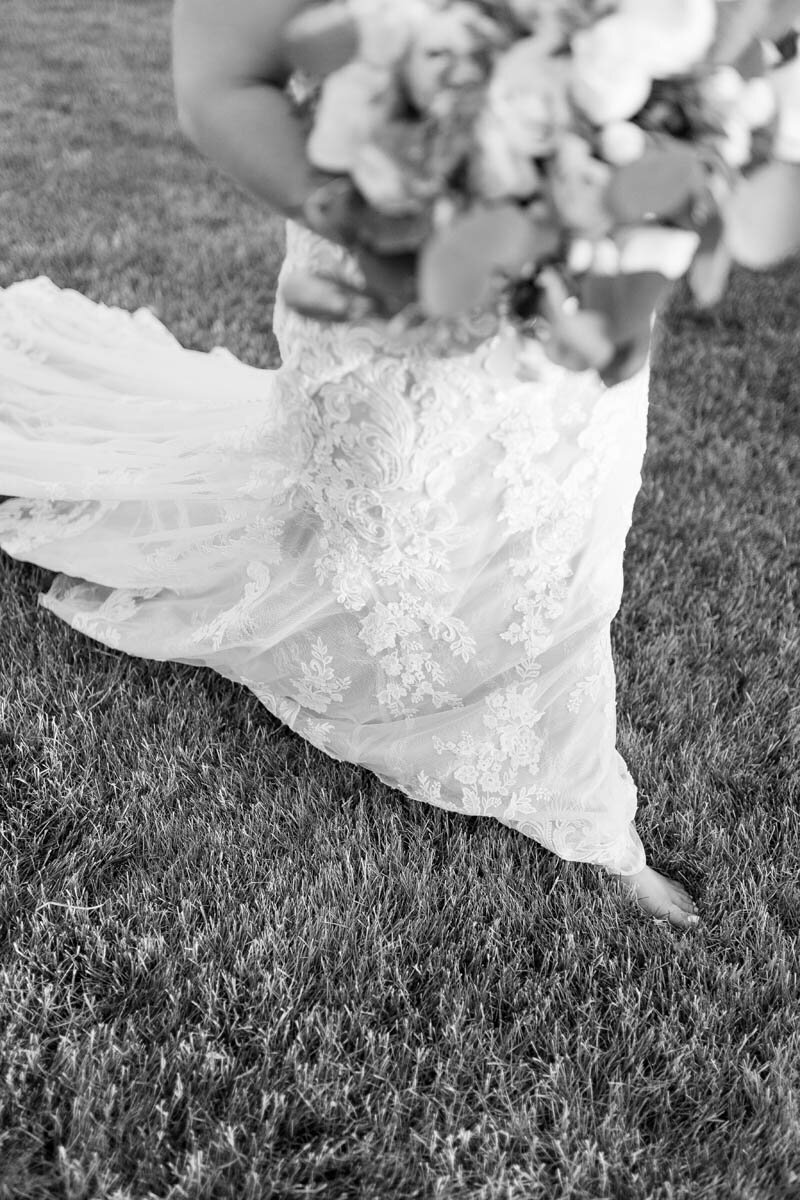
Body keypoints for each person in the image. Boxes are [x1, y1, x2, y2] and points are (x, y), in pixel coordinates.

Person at [0, 0, 700, 928]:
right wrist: (393, 227)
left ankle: (580, 799)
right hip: (386, 268)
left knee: (571, 511)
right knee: (385, 524)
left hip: (588, 266)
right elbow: (221, 83)